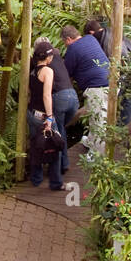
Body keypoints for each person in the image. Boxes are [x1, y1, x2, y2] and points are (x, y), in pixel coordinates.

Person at [62, 23, 110, 153]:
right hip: (111, 82)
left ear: (68, 39)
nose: (65, 45)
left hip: (98, 88)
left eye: (64, 43)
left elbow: (67, 75)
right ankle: (91, 141)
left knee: (98, 121)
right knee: (96, 116)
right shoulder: (90, 38)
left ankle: (98, 155)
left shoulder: (72, 49)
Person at [35, 35, 78, 177]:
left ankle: (62, 165)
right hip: (73, 96)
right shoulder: (58, 55)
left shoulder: (40, 63)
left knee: (58, 131)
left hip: (59, 97)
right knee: (61, 129)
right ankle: (61, 164)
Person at [27, 41, 65, 190]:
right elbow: (46, 96)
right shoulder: (47, 71)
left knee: (36, 146)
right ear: (48, 57)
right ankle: (55, 183)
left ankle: (36, 179)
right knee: (54, 145)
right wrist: (49, 117)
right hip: (43, 115)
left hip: (31, 113)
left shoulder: (32, 70)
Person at [84, 17, 131, 127]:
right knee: (127, 101)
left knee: (116, 100)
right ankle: (121, 128)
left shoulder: (102, 40)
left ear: (91, 33)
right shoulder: (112, 31)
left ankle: (114, 130)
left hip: (123, 71)